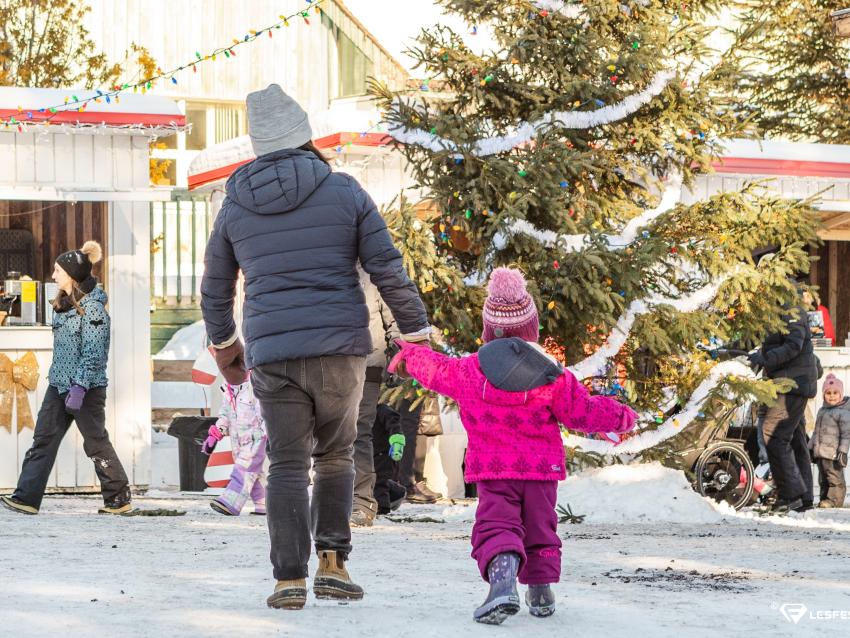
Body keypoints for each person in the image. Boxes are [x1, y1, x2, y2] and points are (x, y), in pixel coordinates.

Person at [200, 84, 430, 611]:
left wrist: (227, 350)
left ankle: (287, 579)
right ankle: (332, 563)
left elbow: (215, 289)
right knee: (335, 456)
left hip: (272, 352)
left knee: (284, 462)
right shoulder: (345, 190)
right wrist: (414, 332)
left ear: (258, 145)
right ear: (305, 135)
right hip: (339, 348)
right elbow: (387, 268)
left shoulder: (235, 203)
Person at [389, 268, 637, 624]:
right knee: (540, 527)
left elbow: (437, 369)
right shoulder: (554, 376)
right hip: (541, 470)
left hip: (493, 469)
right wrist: (620, 416)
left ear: (489, 330)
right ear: (531, 329)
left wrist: (410, 355)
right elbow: (582, 411)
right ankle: (540, 591)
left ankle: (502, 584)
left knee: (497, 524)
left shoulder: (470, 371)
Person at [1, 241, 132, 516]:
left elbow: (94, 353)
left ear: (72, 275)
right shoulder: (62, 305)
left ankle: (118, 497)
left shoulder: (94, 309)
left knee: (95, 442)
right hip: (59, 385)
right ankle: (26, 497)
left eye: (58, 270)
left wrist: (80, 386)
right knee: (43, 440)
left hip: (86, 389)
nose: (53, 275)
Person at [748, 291, 819, 513]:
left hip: (791, 384)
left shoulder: (791, 308)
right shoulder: (771, 310)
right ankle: (804, 496)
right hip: (788, 381)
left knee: (774, 434)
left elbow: (794, 344)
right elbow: (759, 339)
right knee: (795, 439)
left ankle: (790, 494)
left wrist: (766, 359)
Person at [350, 271, 398, 527]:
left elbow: (393, 314)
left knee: (360, 429)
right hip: (333, 358)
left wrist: (399, 346)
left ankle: (363, 500)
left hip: (369, 360)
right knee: (332, 429)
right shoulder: (326, 260)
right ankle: (338, 497)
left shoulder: (372, 273)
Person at [201, 380, 267, 516]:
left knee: (245, 468)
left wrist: (267, 435)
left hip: (256, 438)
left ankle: (231, 501)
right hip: (238, 441)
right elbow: (225, 414)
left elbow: (265, 414)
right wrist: (216, 433)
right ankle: (264, 503)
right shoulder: (228, 390)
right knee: (254, 473)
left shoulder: (255, 387)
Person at [809, 374, 849, 508]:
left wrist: (843, 452)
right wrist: (810, 448)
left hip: (833, 453)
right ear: (823, 395)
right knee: (823, 479)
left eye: (835, 393)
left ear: (841, 394)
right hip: (821, 453)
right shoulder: (822, 410)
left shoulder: (843, 412)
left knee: (834, 478)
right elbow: (816, 432)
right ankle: (825, 499)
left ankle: (834, 501)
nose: (832, 396)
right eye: (828, 393)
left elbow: (846, 435)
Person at [371, 403, 408, 515]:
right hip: (368, 453)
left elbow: (394, 425)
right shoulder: (360, 409)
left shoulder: (383, 410)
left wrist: (397, 442)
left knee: (379, 481)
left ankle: (383, 507)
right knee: (369, 480)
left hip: (383, 454)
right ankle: (396, 492)